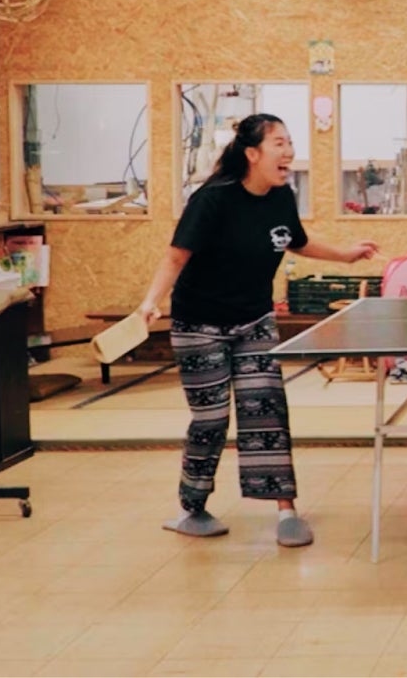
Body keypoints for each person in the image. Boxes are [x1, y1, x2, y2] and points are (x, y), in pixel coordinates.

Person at [138, 114, 377, 547]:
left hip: (254, 321)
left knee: (267, 410)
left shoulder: (281, 197)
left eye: (289, 143)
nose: (289, 152)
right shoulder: (212, 200)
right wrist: (151, 301)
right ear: (252, 153)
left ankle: (286, 512)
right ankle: (192, 508)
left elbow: (296, 241)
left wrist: (345, 255)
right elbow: (175, 257)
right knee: (211, 419)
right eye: (278, 143)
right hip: (199, 323)